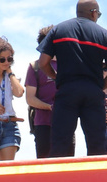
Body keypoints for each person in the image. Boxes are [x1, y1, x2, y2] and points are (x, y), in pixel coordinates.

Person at [36, 1, 107, 157]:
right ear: (93, 12)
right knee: (97, 145)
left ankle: (60, 172)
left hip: (66, 91)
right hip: (93, 93)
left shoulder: (59, 30)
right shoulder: (105, 35)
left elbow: (42, 63)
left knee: (60, 144)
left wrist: (56, 77)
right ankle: (96, 172)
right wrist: (100, 86)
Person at [24, 26, 60, 159]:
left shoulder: (69, 65)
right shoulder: (35, 66)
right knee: (44, 164)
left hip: (65, 122)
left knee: (67, 164)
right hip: (43, 124)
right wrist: (49, 107)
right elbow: (30, 98)